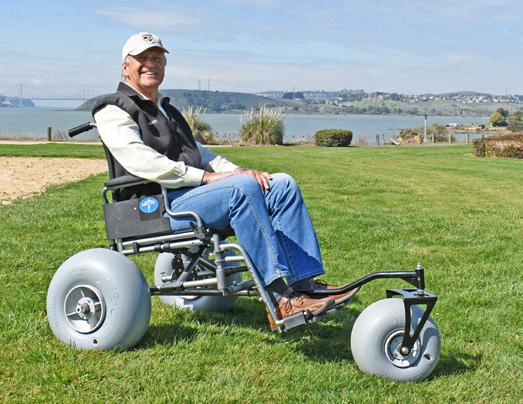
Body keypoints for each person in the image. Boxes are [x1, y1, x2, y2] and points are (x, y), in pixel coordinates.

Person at [93, 32, 358, 329]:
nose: (150, 64)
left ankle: (305, 284)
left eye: (157, 58)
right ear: (125, 66)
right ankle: (279, 300)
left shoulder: (167, 110)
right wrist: (209, 178)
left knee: (281, 184)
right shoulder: (113, 108)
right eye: (142, 58)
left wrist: (239, 171)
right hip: (153, 207)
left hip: (188, 196)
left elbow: (203, 154)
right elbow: (142, 162)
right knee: (240, 189)